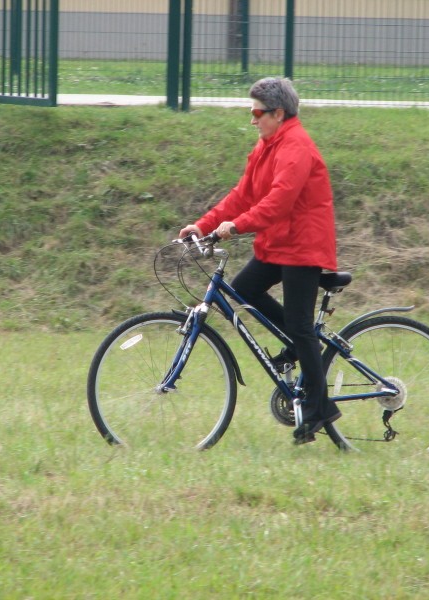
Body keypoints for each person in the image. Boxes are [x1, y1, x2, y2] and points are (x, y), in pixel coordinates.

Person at [178, 77, 340, 445]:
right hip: (278, 243)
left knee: (300, 324)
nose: (252, 120)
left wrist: (237, 226)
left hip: (303, 246)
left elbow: (279, 201)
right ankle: (298, 348)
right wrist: (203, 225)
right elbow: (243, 194)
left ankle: (320, 407)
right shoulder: (267, 145)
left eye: (257, 113)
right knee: (243, 289)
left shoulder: (296, 147)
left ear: (278, 113)